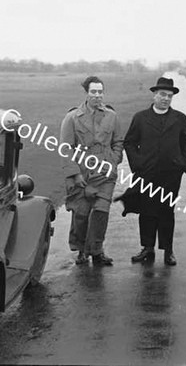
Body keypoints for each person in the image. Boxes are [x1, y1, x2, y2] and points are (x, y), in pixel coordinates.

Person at [120, 76, 186, 266]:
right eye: (162, 94)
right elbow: (129, 143)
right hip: (146, 174)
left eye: (169, 96)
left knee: (166, 212)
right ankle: (147, 248)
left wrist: (181, 164)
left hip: (171, 175)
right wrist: (137, 164)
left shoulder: (179, 118)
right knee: (146, 212)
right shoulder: (140, 118)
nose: (166, 99)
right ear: (154, 95)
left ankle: (168, 251)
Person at [60, 76, 124, 266]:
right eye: (93, 92)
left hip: (105, 174)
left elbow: (118, 142)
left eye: (100, 92)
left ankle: (97, 250)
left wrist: (112, 162)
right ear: (87, 93)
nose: (97, 95)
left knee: (101, 212)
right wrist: (76, 174)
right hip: (82, 172)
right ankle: (81, 249)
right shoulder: (72, 117)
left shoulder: (112, 116)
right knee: (81, 213)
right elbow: (65, 148)